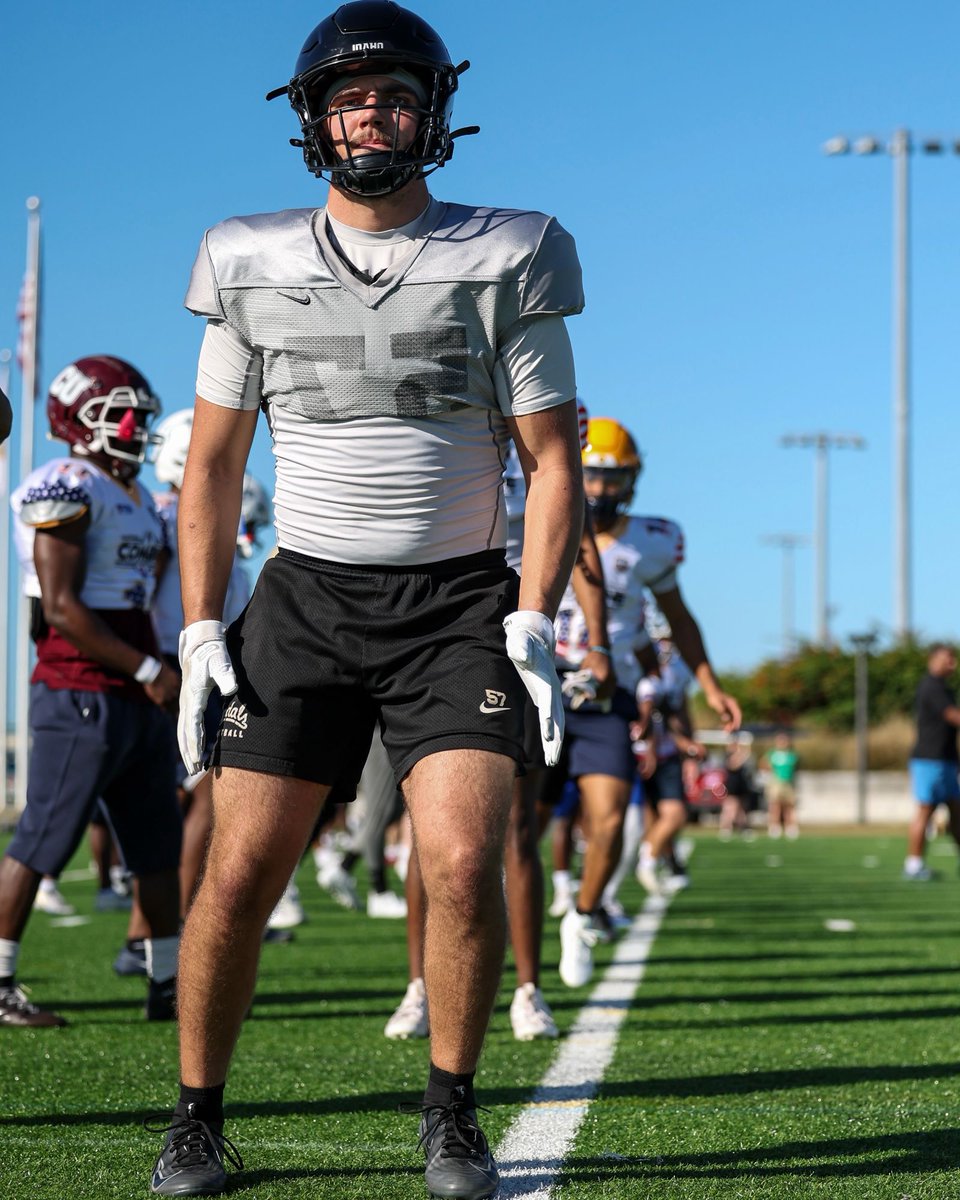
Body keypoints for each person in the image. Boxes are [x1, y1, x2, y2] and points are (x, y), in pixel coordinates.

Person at [148, 5, 584, 1197]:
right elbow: (215, 469)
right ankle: (197, 1118)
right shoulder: (246, 257)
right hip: (304, 598)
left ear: (433, 114)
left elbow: (552, 460)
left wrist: (534, 617)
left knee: (459, 857)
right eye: (349, 99)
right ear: (312, 122)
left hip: (456, 607)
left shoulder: (510, 248)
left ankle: (451, 1112)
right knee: (237, 874)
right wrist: (198, 630)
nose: (371, 116)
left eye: (394, 95)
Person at [2, 355, 183, 1027]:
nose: (135, 426)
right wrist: (146, 669)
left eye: (139, 412)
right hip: (81, 687)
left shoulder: (132, 491)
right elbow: (61, 608)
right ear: (77, 422)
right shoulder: (67, 482)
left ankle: (166, 986)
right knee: (44, 838)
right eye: (119, 414)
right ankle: (0, 981)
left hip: (134, 687)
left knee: (157, 846)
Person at [552, 418, 741, 985]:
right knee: (518, 827)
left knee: (609, 821)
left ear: (633, 480)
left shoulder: (652, 541)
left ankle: (584, 913)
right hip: (537, 683)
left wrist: (709, 685)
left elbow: (679, 619)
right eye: (593, 475)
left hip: (611, 692)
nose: (602, 489)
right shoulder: (535, 519)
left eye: (615, 478)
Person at [903, 644, 960, 880]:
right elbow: (952, 716)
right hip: (929, 759)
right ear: (933, 660)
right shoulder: (931, 686)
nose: (953, 663)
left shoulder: (945, 688)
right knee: (925, 811)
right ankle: (913, 865)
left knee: (957, 813)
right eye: (948, 658)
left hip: (945, 760)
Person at [762, 731, 800, 840]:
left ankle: (791, 827)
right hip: (776, 782)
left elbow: (795, 769)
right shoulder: (772, 754)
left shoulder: (792, 755)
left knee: (789, 806)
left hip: (788, 783)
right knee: (775, 806)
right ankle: (774, 827)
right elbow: (763, 764)